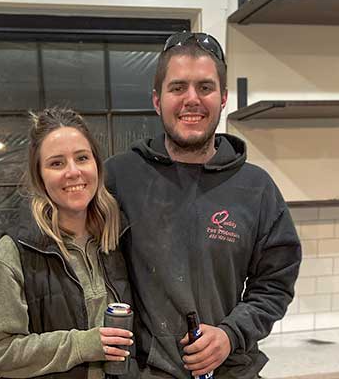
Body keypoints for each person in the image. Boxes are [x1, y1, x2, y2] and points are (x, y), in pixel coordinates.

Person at [105, 32, 302, 379]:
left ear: (223, 98)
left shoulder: (256, 188)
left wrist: (230, 334)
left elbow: (274, 284)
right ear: (157, 99)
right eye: (178, 88)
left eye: (205, 88)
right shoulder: (121, 177)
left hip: (231, 370)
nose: (191, 100)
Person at [0, 107, 136, 379]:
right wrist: (83, 345)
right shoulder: (15, 252)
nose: (73, 172)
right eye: (57, 163)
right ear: (40, 176)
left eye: (82, 158)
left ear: (96, 165)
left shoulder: (117, 238)